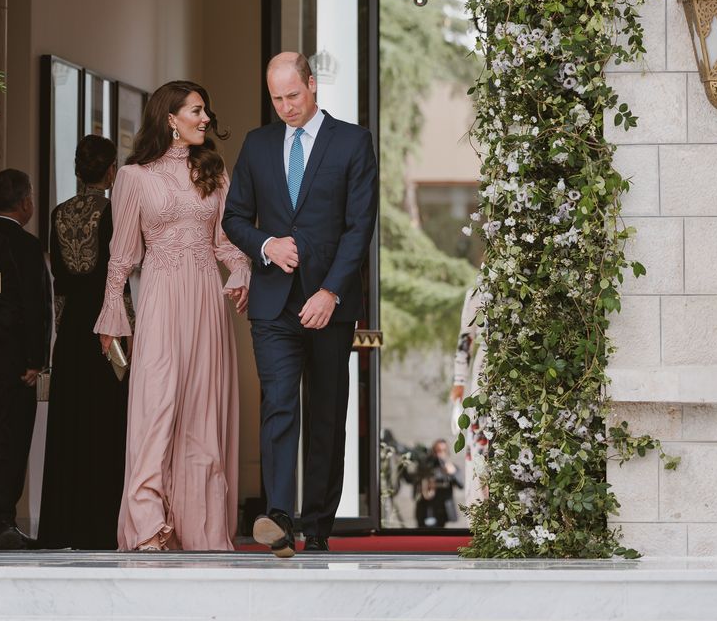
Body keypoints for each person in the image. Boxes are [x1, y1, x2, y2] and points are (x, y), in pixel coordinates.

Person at [223, 52, 378, 556]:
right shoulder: (257, 144)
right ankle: (281, 518)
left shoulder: (353, 142)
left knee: (327, 415)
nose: (286, 106)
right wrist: (267, 245)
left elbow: (359, 227)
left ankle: (317, 525)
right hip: (273, 305)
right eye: (277, 98)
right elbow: (235, 218)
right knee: (280, 406)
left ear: (313, 85)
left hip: (330, 303)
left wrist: (331, 291)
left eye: (294, 95)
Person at [94, 81, 251, 551]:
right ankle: (147, 524)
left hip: (205, 300)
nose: (205, 119)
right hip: (161, 299)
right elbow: (121, 256)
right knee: (157, 407)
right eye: (196, 111)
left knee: (203, 414)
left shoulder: (214, 172)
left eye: (205, 111)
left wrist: (241, 269)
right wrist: (112, 316)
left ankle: (201, 528)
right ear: (171, 119)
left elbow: (225, 243)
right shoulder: (133, 177)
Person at [37, 135, 129, 550]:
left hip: (73, 330)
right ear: (111, 170)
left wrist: (62, 332)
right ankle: (101, 525)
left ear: (79, 170)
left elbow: (59, 286)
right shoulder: (115, 212)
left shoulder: (57, 213)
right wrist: (131, 334)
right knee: (106, 425)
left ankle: (63, 525)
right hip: (107, 330)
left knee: (70, 427)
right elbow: (119, 281)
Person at [0, 168, 50, 550]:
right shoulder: (26, 247)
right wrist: (36, 359)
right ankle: (1, 520)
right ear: (26, 203)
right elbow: (36, 306)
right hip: (16, 365)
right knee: (12, 442)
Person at [451, 283, 487, 509]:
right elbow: (466, 341)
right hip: (484, 375)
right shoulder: (478, 291)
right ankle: (481, 516)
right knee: (481, 447)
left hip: (517, 372)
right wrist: (459, 384)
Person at [413, 439, 463, 528]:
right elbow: (414, 480)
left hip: (441, 510)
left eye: (443, 451)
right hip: (424, 509)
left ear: (447, 452)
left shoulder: (451, 467)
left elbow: (461, 484)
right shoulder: (425, 466)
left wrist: (452, 473)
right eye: (437, 451)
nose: (440, 454)